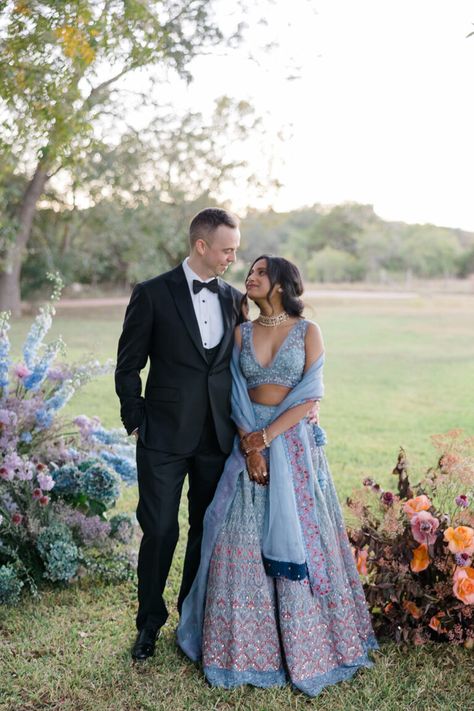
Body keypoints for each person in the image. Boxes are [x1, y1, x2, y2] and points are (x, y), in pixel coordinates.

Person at [177, 255, 378, 697]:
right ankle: (244, 648)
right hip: (249, 444)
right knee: (237, 537)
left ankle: (308, 644)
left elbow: (310, 395)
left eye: (260, 272)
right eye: (248, 271)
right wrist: (250, 444)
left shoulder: (309, 331)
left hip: (294, 447)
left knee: (305, 537)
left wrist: (265, 437)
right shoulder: (241, 332)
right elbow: (233, 389)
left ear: (283, 284)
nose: (249, 276)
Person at [115, 207, 244, 661]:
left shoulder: (234, 298)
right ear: (201, 245)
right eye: (227, 249)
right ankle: (149, 623)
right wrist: (137, 420)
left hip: (217, 437)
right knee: (161, 530)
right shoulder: (151, 294)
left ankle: (192, 620)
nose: (233, 256)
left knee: (204, 531)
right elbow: (128, 365)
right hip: (163, 438)